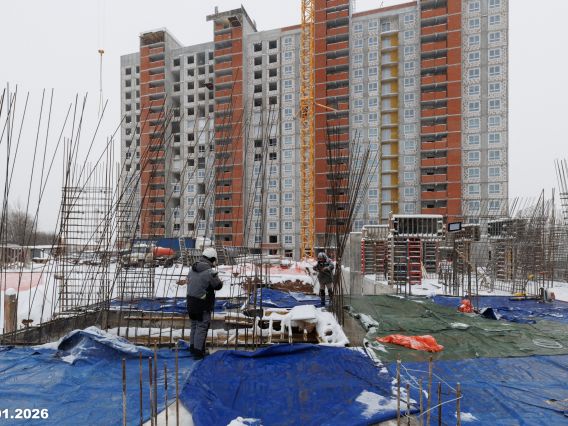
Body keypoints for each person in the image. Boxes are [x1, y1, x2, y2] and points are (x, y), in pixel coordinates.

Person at [184, 247, 223, 359]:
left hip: (191, 302)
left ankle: (193, 348)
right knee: (201, 327)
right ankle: (198, 353)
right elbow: (218, 285)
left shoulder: (192, 269)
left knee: (194, 325)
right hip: (202, 304)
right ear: (212, 259)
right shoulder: (210, 272)